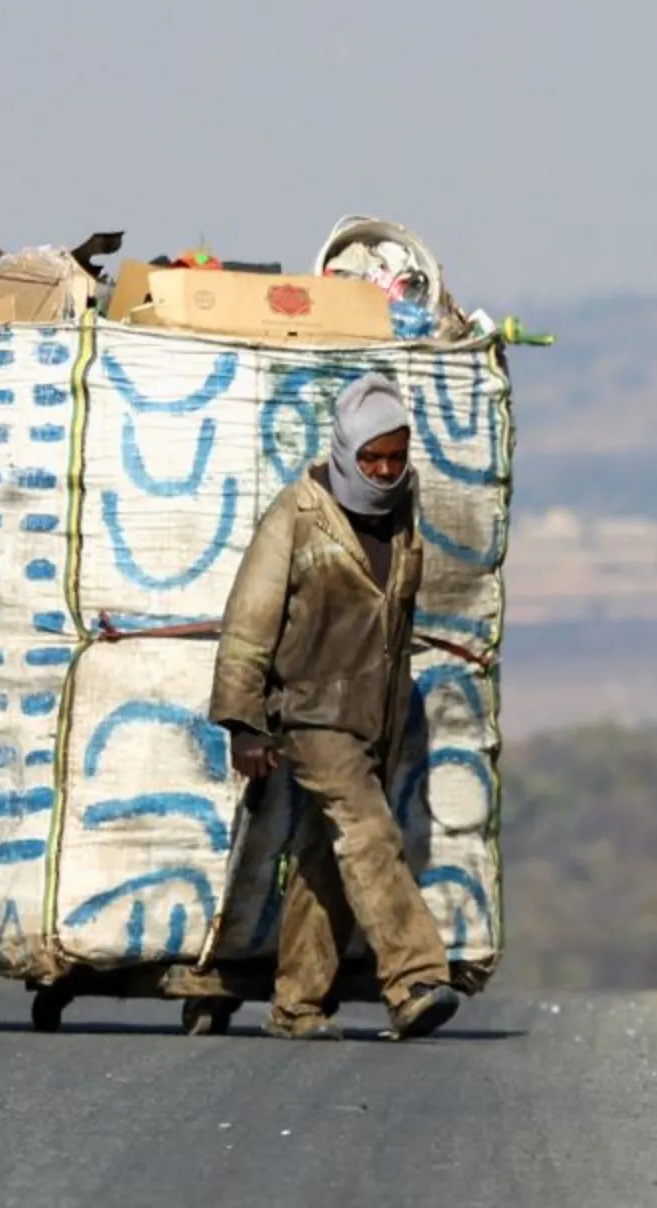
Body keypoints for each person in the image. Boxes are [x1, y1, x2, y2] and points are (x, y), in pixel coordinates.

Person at [210, 372, 462, 1043]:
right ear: (346, 451)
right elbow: (250, 621)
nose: (383, 470)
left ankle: (296, 1005)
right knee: (370, 834)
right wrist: (245, 723)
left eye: (395, 457)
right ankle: (414, 979)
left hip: (373, 715)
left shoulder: (402, 512)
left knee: (326, 859)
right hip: (311, 713)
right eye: (371, 458)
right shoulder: (298, 514)